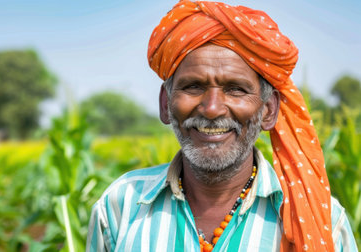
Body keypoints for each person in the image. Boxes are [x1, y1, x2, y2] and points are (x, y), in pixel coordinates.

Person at [86, 1, 357, 251]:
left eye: (235, 89)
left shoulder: (322, 221)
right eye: (193, 87)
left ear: (268, 110)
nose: (212, 108)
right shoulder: (119, 207)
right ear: (166, 104)